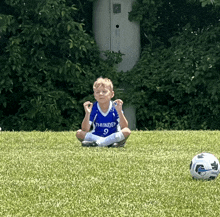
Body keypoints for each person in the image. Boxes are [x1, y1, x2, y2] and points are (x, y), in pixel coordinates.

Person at [76, 77, 131, 147]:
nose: (101, 94)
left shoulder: (115, 106)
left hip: (114, 136)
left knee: (127, 131)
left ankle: (98, 144)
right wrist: (87, 113)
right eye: (97, 92)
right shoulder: (93, 107)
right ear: (95, 95)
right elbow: (85, 129)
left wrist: (119, 111)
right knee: (79, 133)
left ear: (112, 94)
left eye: (104, 91)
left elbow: (124, 126)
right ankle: (108, 143)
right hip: (98, 136)